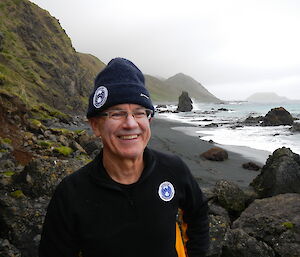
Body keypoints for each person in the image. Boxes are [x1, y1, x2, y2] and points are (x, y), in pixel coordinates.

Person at [39, 57, 209, 257]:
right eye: (116, 114)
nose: (130, 124)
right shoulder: (71, 194)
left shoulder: (174, 170)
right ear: (95, 125)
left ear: (149, 120)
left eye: (139, 113)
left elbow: (198, 214)